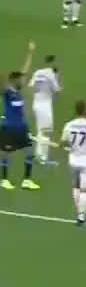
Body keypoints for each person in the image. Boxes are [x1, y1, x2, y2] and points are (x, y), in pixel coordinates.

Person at [1, 42, 39, 191]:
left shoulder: (17, 90)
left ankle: (26, 180)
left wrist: (30, 52)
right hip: (9, 127)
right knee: (6, 153)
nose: (23, 81)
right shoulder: (7, 92)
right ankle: (4, 180)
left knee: (30, 151)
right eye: (21, 79)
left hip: (22, 127)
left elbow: (25, 70)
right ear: (14, 80)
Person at [29, 54, 61, 166]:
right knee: (46, 131)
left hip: (36, 103)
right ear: (52, 62)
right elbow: (57, 90)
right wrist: (56, 76)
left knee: (40, 130)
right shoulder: (51, 74)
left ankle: (38, 155)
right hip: (45, 105)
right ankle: (43, 158)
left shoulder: (37, 72)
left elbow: (31, 86)